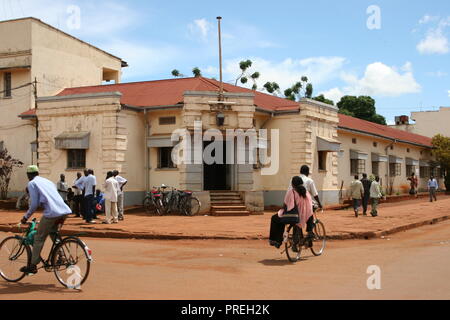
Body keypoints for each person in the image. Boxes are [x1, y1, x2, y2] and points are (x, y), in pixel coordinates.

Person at [19, 165, 71, 275]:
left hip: (51, 213)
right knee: (53, 233)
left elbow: (34, 205)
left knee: (39, 237)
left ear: (28, 175)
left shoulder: (32, 183)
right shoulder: (48, 181)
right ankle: (61, 256)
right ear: (37, 173)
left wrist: (25, 217)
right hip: (64, 211)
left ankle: (32, 266)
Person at [270, 176, 314, 249]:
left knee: (275, 218)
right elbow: (309, 206)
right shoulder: (306, 192)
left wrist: (282, 210)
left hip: (292, 216)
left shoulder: (291, 192)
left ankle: (277, 241)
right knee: (310, 214)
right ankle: (310, 232)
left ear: (293, 184)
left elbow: (285, 205)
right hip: (303, 216)